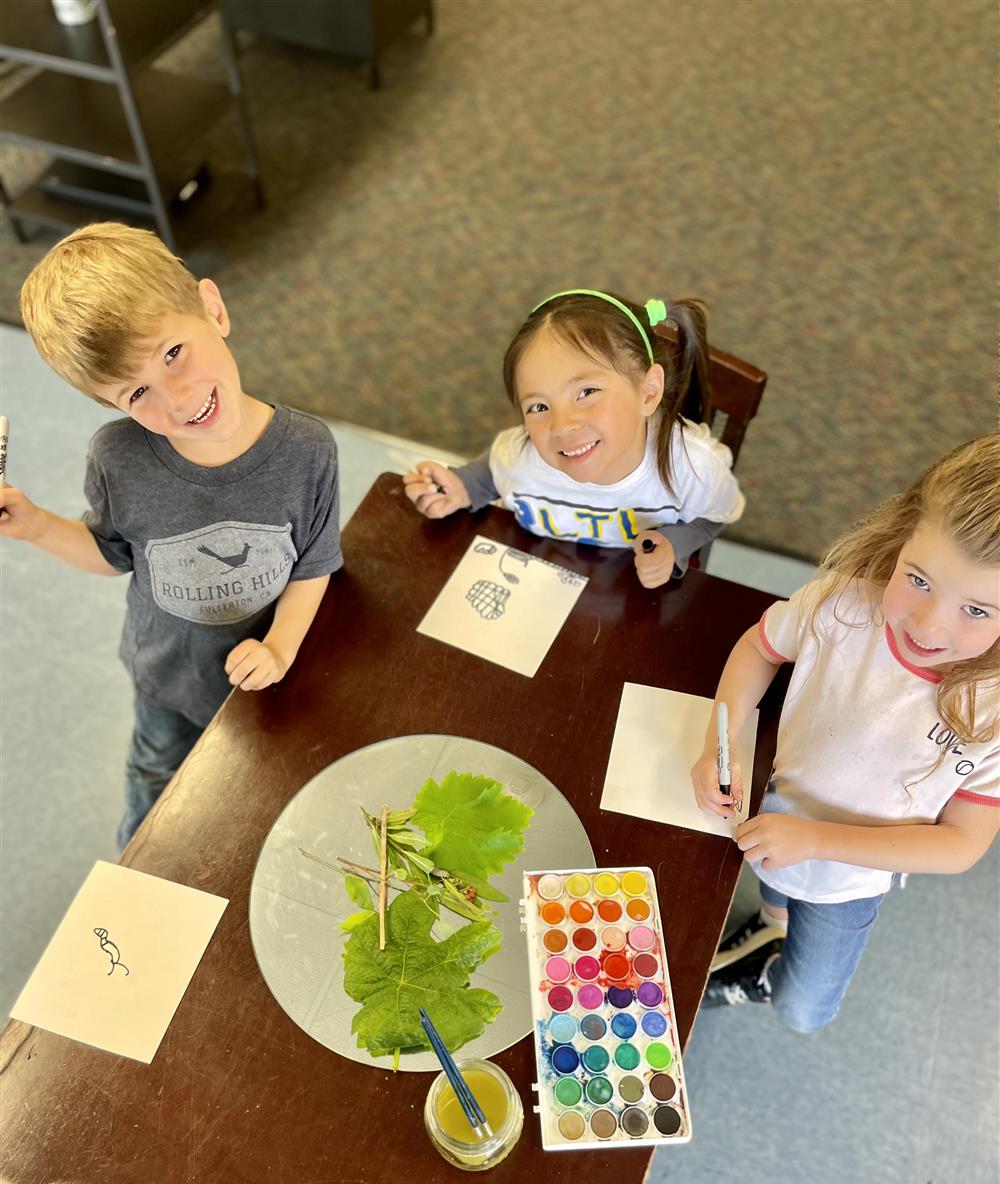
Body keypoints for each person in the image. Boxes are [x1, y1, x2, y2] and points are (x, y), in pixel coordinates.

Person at [2, 223, 342, 851]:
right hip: (167, 676)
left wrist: (281, 649)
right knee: (154, 775)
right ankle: (132, 874)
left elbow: (313, 566)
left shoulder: (307, 451)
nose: (179, 398)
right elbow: (113, 554)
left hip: (268, 668)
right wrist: (36, 526)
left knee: (258, 790)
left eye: (172, 353)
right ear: (112, 407)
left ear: (212, 308)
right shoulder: (116, 459)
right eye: (138, 393)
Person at [691, 435, 1000, 1030]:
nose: (930, 623)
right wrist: (718, 743)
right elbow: (760, 647)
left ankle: (766, 974)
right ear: (900, 537)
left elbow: (962, 844)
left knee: (803, 1009)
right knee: (774, 890)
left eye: (977, 611)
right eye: (918, 579)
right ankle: (772, 926)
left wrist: (814, 841)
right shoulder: (840, 604)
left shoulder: (989, 713)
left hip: (849, 878)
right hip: (774, 817)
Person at [403, 289, 744, 586]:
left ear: (649, 391)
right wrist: (463, 487)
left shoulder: (693, 468)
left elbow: (716, 513)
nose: (562, 425)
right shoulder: (525, 456)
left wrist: (675, 544)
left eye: (587, 391)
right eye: (538, 406)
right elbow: (496, 469)